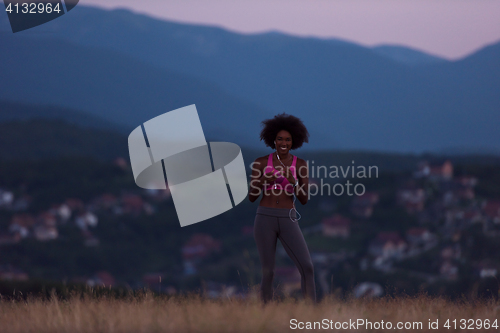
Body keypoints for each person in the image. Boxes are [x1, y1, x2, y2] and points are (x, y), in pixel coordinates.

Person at [249, 113, 316, 303]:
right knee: (268, 271)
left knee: (307, 267)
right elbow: (252, 196)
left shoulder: (300, 165)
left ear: (294, 141)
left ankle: (311, 315)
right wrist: (263, 180)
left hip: (288, 217)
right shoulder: (261, 163)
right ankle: (264, 314)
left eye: (288, 139)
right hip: (264, 218)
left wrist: (294, 182)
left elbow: (304, 199)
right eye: (280, 139)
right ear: (273, 140)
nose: (283, 143)